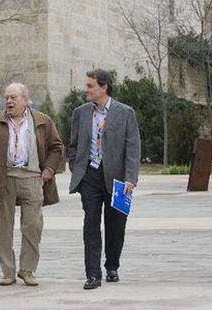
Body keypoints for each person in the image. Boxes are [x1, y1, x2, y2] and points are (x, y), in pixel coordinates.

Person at [0, 83, 64, 287]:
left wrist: (48, 171)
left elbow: (57, 147)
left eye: (14, 98)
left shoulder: (42, 120)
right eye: (6, 97)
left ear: (26, 100)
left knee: (33, 226)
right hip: (3, 178)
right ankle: (8, 272)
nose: (9, 101)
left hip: (33, 177)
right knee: (3, 226)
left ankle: (27, 270)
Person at [68, 68, 140, 290]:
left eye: (90, 86)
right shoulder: (80, 113)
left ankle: (112, 266)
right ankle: (93, 274)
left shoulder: (125, 113)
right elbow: (72, 144)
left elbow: (133, 148)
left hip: (118, 179)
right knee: (90, 224)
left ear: (104, 87)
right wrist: (75, 167)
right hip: (90, 175)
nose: (86, 90)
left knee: (116, 225)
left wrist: (130, 178)